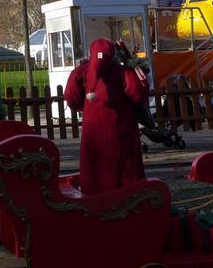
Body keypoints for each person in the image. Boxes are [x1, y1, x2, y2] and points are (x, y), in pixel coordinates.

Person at [63, 39, 150, 195]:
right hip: (121, 126)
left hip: (93, 129)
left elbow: (71, 96)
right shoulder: (123, 73)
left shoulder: (81, 72)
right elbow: (139, 95)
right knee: (124, 163)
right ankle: (128, 194)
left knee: (95, 162)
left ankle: (93, 193)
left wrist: (83, 107)